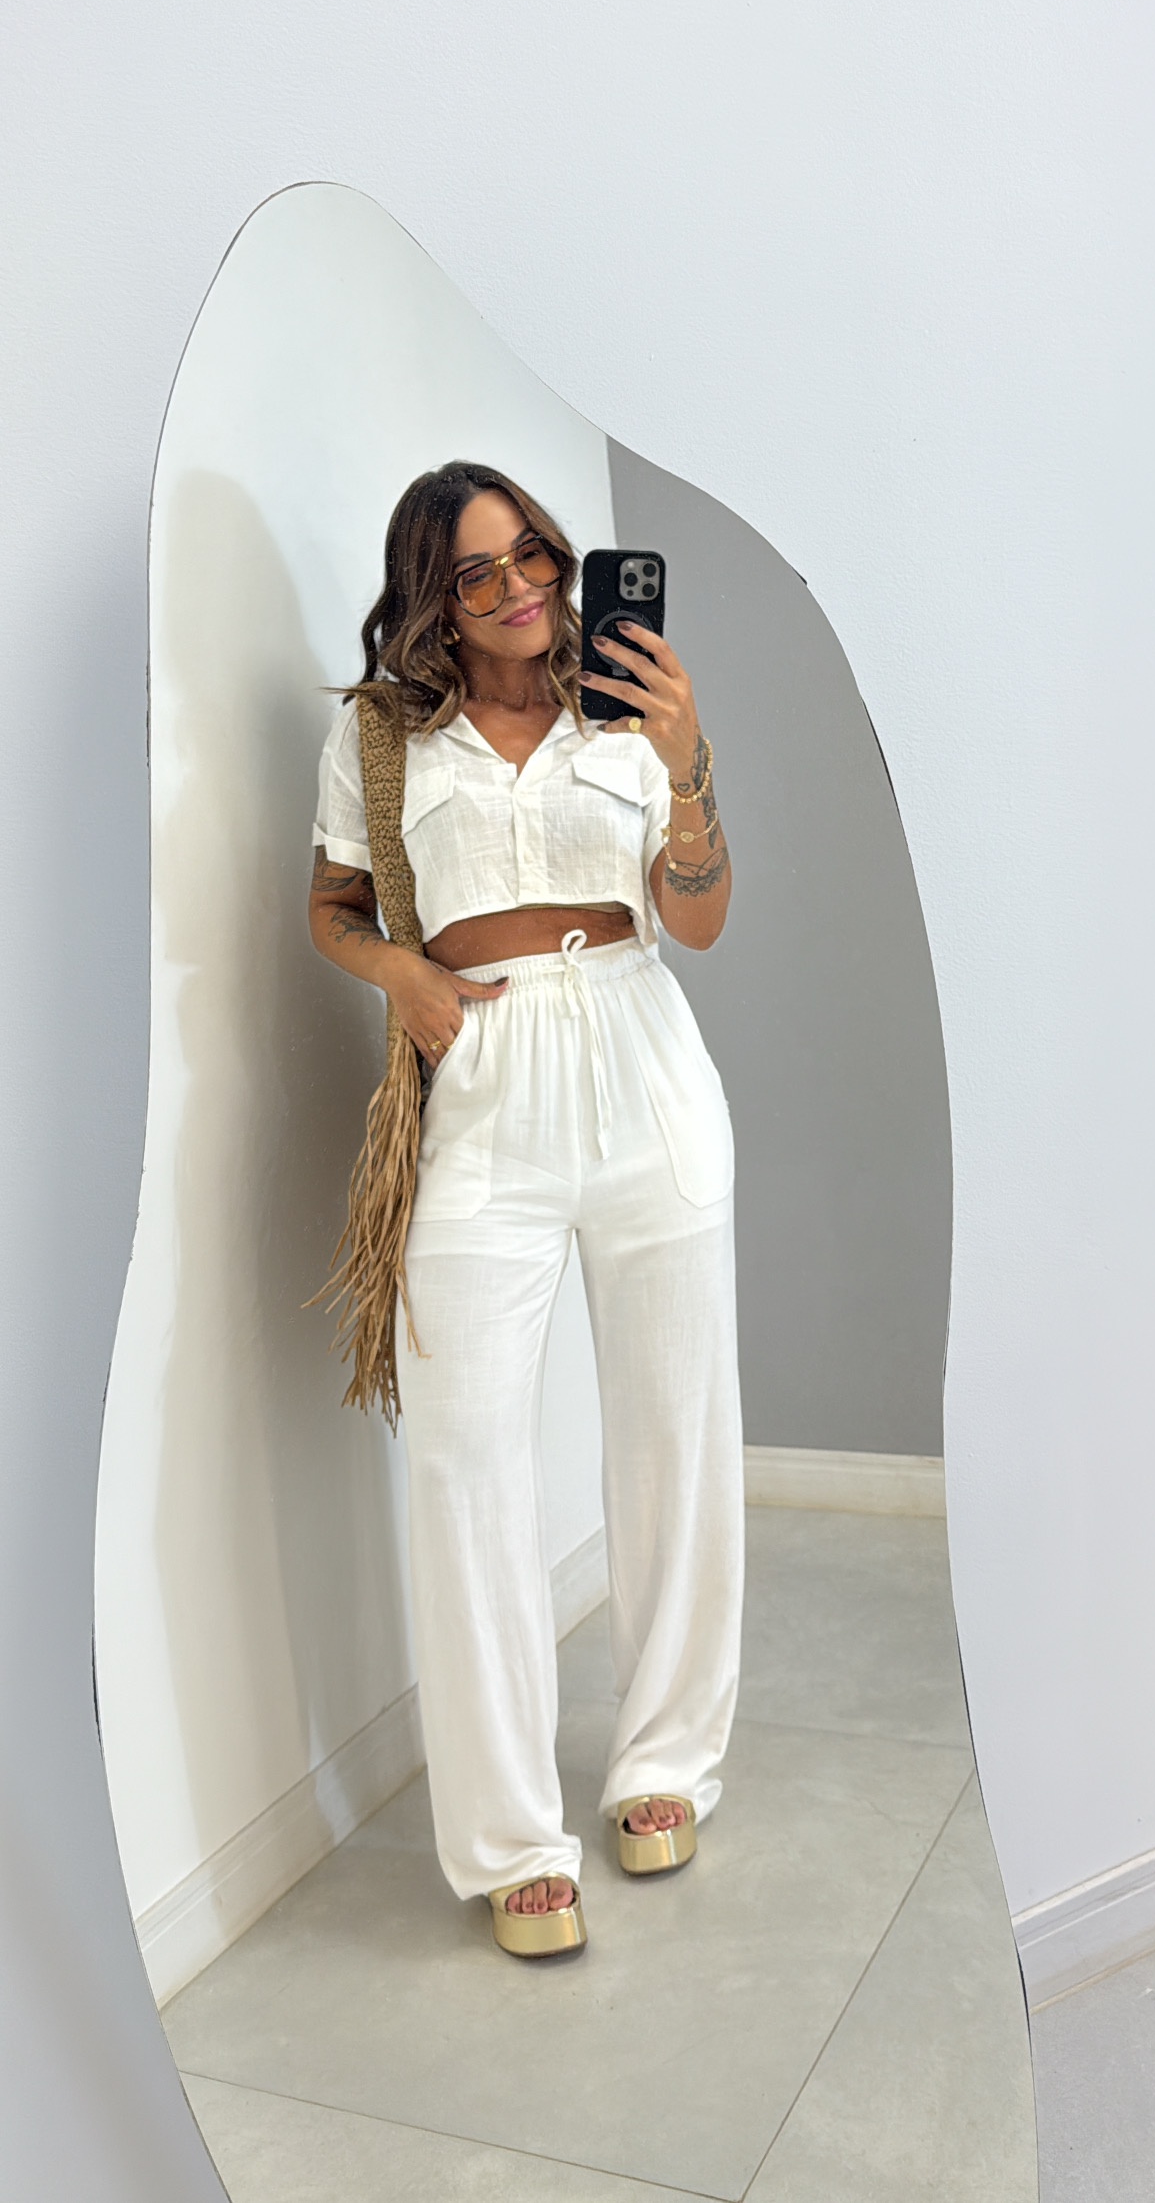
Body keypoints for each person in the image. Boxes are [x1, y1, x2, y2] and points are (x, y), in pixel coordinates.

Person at [308, 462, 743, 1957]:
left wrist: (687, 765)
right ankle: (508, 1837)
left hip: (643, 1056)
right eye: (476, 573)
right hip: (485, 1080)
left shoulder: (632, 708)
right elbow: (332, 907)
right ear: (432, 597)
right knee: (466, 1456)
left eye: (534, 556)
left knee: (675, 1431)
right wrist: (403, 975)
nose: (517, 591)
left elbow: (700, 915)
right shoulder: (382, 734)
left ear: (564, 557)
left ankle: (665, 1762)